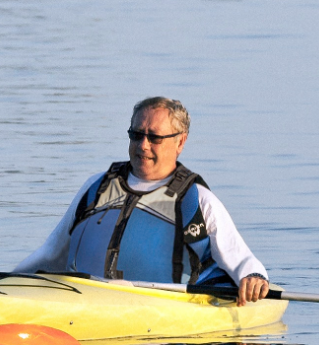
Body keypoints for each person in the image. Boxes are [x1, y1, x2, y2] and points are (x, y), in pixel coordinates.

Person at [16, 97, 271, 304]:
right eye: (136, 135)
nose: (143, 145)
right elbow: (51, 253)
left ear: (180, 141)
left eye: (154, 137)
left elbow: (240, 258)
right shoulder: (96, 187)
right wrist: (2, 285)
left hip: (167, 314)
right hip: (85, 302)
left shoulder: (197, 200)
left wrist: (254, 277)